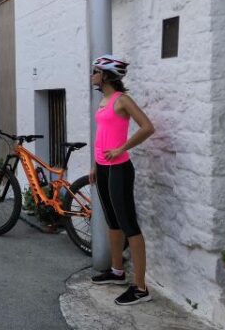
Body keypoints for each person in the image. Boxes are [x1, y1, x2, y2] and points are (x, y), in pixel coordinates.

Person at [88, 55, 155, 306]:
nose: (92, 74)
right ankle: (117, 271)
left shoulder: (122, 100)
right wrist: (95, 165)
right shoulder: (104, 101)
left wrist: (121, 148)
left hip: (120, 168)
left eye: (95, 71)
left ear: (105, 75)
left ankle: (140, 288)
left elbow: (147, 127)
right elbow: (102, 134)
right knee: (112, 221)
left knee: (129, 224)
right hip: (104, 169)